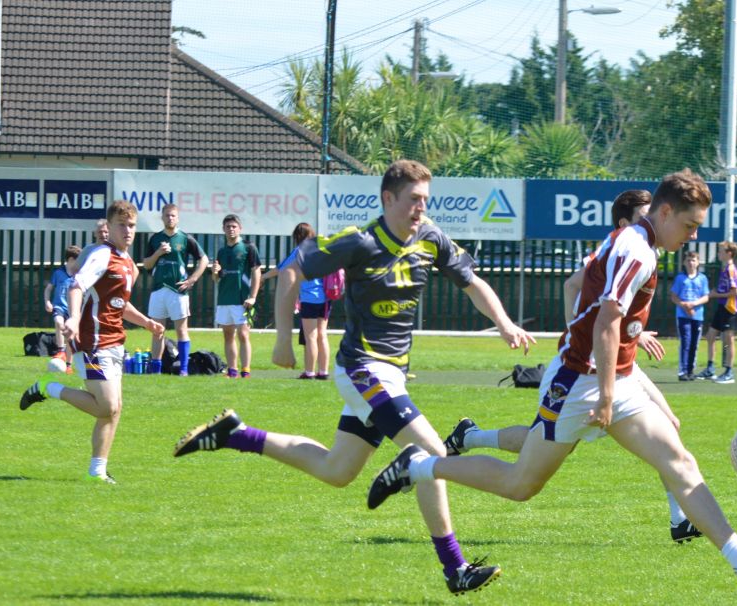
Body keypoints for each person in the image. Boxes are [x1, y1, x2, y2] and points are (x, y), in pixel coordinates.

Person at [368, 170, 737, 590]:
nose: (693, 236)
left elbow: (601, 308)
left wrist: (618, 372)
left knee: (679, 461)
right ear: (665, 212)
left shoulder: (636, 241)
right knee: (521, 484)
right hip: (580, 381)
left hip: (613, 375)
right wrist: (608, 396)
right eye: (689, 225)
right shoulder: (639, 251)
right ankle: (419, 465)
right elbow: (607, 323)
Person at [173, 159, 535, 596]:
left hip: (392, 374)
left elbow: (471, 281)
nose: (421, 208)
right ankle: (454, 567)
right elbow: (291, 270)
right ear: (388, 198)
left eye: (426, 199)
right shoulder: (359, 242)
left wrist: (504, 322)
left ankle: (236, 434)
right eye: (413, 199)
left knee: (337, 470)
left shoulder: (430, 238)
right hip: (362, 367)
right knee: (431, 454)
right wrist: (284, 342)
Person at [444, 189, 705, 544]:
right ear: (626, 222)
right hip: (589, 367)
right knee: (538, 456)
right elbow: (577, 291)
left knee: (668, 427)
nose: (655, 220)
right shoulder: (620, 248)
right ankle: (465, 440)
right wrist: (582, 342)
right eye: (646, 214)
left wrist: (632, 332)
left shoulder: (643, 252)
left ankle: (680, 519)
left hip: (617, 363)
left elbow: (616, 314)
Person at [19, 200, 165, 483]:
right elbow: (77, 286)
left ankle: (97, 471)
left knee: (114, 409)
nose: (128, 230)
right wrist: (73, 319)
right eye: (121, 225)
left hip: (115, 343)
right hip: (91, 345)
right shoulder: (102, 255)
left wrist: (147, 322)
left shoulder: (127, 263)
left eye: (132, 225)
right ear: (108, 228)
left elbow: (118, 303)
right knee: (106, 406)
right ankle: (49, 388)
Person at [142, 203, 208, 375]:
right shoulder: (155, 239)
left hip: (178, 290)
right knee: (157, 331)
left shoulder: (185, 238)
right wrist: (158, 253)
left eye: (173, 216)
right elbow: (146, 264)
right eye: (167, 215)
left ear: (177, 218)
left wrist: (192, 279)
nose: (170, 218)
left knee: (181, 330)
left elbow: (204, 260)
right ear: (162, 218)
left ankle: (184, 369)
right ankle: (155, 369)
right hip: (158, 289)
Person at [263, 222, 333, 380]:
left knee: (310, 337)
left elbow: (281, 269)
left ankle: (309, 372)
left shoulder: (299, 252)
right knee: (322, 335)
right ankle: (324, 371)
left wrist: (263, 276)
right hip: (325, 298)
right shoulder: (320, 250)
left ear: (297, 236)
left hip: (309, 298)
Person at [211, 214, 262, 378]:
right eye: (228, 227)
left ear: (240, 228)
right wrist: (214, 272)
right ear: (223, 229)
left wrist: (253, 296)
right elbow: (217, 279)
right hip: (225, 299)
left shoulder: (248, 248)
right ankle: (232, 371)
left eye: (234, 226)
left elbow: (256, 272)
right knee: (228, 335)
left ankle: (245, 371)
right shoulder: (221, 251)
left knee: (243, 334)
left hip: (242, 299)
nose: (231, 229)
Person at [696, 241, 737, 384]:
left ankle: (729, 372)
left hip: (730, 309)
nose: (718, 253)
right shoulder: (725, 269)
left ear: (729, 253)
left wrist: (714, 295)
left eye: (721, 251)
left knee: (728, 341)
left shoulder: (731, 269)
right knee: (710, 336)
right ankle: (710, 368)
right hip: (721, 307)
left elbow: (735, 292)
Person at [671, 251, 710, 381]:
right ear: (684, 262)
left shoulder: (702, 278)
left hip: (697, 315)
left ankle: (691, 370)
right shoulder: (680, 278)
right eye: (688, 260)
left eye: (693, 260)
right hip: (682, 315)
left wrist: (694, 304)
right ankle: (682, 371)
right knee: (685, 341)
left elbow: (706, 297)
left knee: (695, 343)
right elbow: (674, 296)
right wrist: (684, 305)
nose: (691, 263)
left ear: (698, 262)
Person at [43, 245, 82, 371]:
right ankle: (61, 350)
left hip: (72, 310)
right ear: (71, 260)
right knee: (58, 322)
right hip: (59, 306)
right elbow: (48, 289)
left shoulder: (79, 275)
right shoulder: (58, 273)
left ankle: (69, 365)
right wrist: (47, 302)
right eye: (78, 260)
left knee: (70, 337)